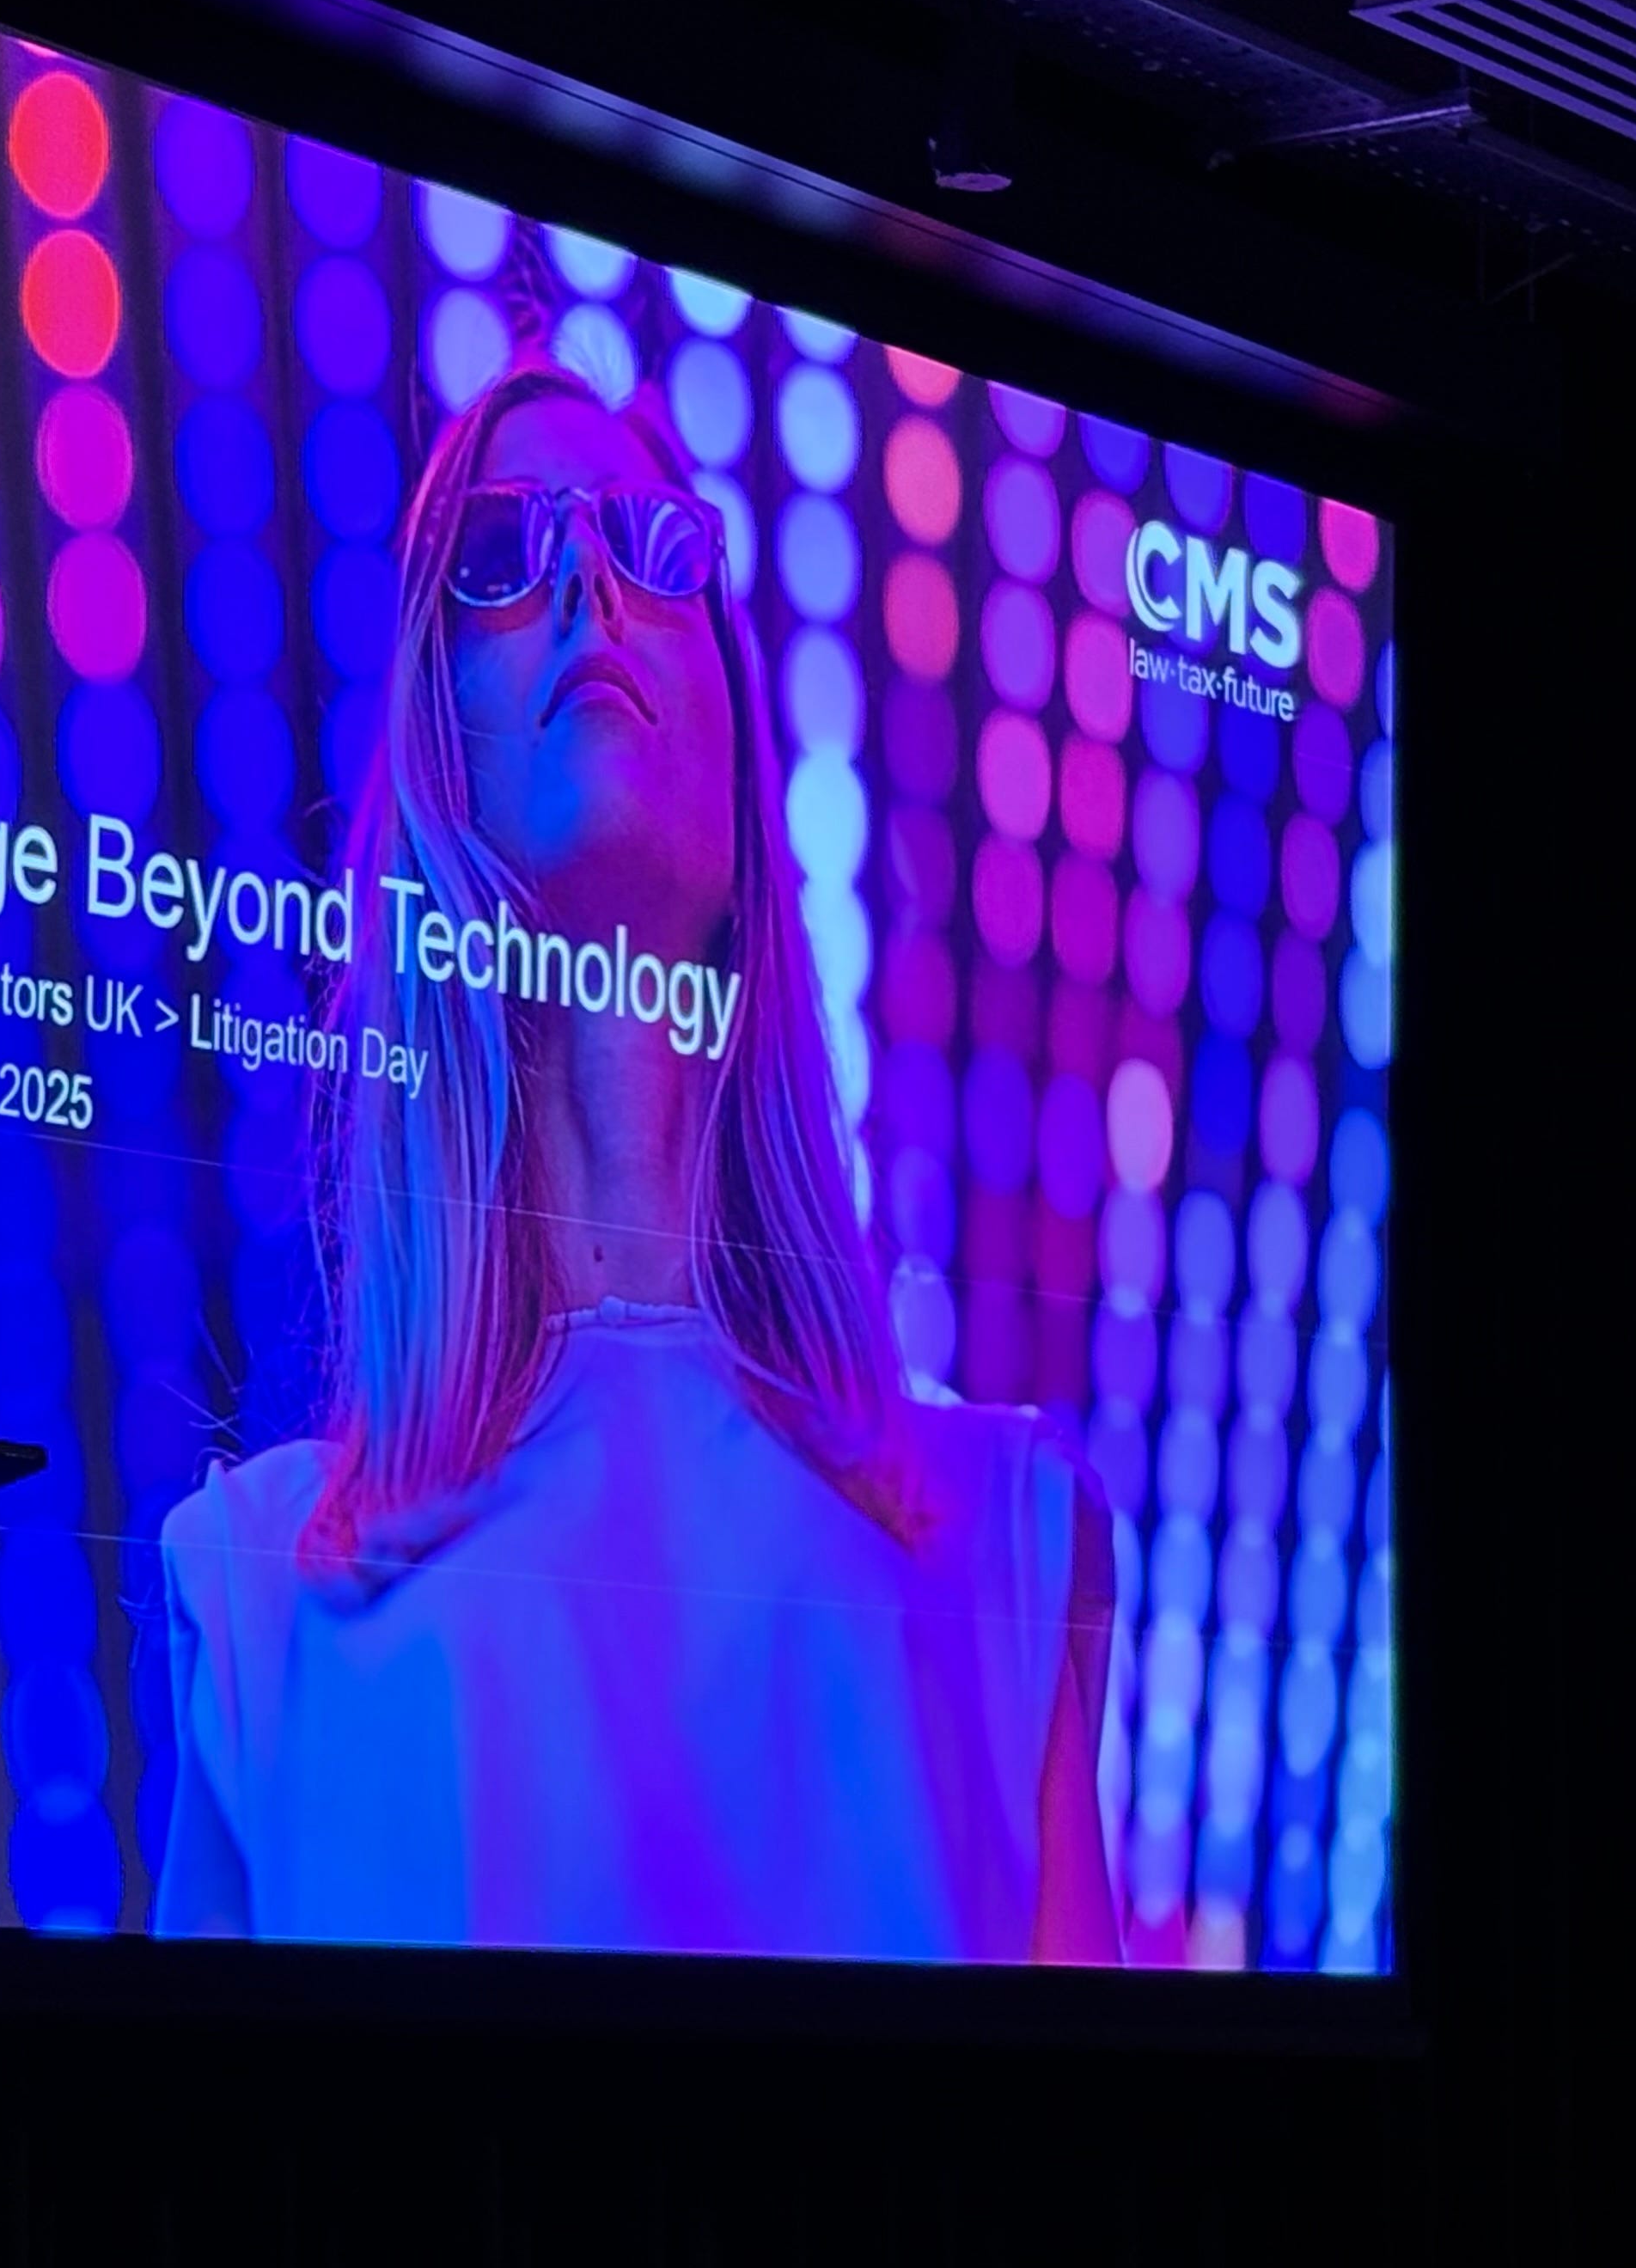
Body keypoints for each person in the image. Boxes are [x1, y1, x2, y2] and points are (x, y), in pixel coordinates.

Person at [154, 362, 1116, 1965]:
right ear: (438, 757)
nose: (585, 584)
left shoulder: (999, 1543)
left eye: (654, 543)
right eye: (499, 551)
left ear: (740, 743)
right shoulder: (267, 1593)